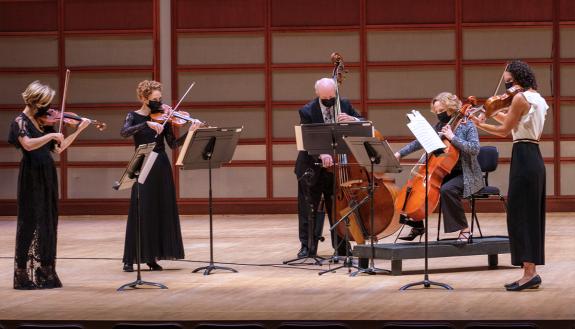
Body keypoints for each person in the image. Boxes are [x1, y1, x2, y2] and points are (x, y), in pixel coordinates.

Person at [470, 60, 547, 291]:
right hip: (533, 156)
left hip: (524, 156)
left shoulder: (520, 99)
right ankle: (529, 271)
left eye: (507, 78)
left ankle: (530, 273)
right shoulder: (537, 98)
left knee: (520, 214)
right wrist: (491, 114)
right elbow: (514, 123)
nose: (505, 83)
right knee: (528, 214)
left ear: (514, 77)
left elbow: (505, 131)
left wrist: (477, 124)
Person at [9, 81, 90, 289]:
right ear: (35, 102)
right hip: (31, 176)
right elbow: (27, 144)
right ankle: (21, 273)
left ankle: (45, 270)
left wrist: (78, 130)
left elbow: (59, 149)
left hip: (47, 174)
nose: (48, 109)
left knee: (48, 222)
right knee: (29, 223)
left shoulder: (42, 122)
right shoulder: (20, 121)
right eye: (44, 104)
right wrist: (51, 135)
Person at [120, 80, 201, 272]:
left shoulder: (163, 118)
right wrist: (146, 124)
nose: (159, 103)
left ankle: (152, 257)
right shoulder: (133, 116)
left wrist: (190, 132)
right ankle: (130, 259)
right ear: (143, 98)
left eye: (160, 99)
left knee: (158, 208)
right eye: (154, 99)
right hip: (143, 162)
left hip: (161, 164)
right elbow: (124, 132)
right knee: (141, 209)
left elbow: (172, 144)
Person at [395, 92, 484, 242]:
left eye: (441, 110)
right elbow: (420, 142)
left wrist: (452, 137)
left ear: (451, 108)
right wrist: (400, 153)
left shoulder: (467, 125)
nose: (438, 114)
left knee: (447, 189)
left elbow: (474, 149)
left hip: (466, 174)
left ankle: (465, 230)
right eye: (436, 111)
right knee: (417, 189)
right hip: (444, 171)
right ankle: (417, 225)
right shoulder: (440, 126)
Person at [294, 77, 362, 258]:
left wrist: (353, 119)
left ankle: (341, 246)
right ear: (317, 94)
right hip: (312, 167)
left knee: (338, 207)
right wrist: (321, 154)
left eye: (332, 96)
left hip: (338, 167)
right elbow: (308, 138)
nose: (330, 100)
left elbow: (364, 122)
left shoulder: (344, 104)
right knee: (308, 208)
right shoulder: (307, 111)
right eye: (325, 98)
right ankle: (307, 246)